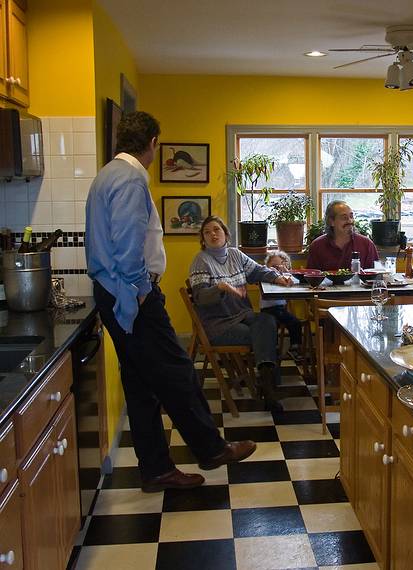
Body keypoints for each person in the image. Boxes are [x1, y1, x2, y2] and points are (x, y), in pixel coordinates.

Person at [85, 111, 255, 493]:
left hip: (111, 291)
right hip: (130, 292)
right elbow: (128, 245)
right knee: (178, 370)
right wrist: (141, 290)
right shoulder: (130, 178)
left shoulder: (106, 175)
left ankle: (156, 469)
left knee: (140, 383)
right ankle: (210, 449)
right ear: (152, 142)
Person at [189, 216, 293, 411]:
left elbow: (258, 271)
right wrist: (221, 287)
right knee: (262, 334)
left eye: (216, 230)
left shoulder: (235, 254)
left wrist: (278, 277)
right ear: (202, 239)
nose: (213, 234)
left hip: (242, 315)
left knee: (267, 320)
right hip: (218, 324)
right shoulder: (201, 261)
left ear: (226, 234)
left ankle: (266, 382)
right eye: (207, 232)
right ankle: (269, 387)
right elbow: (201, 297)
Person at [306, 200, 379, 270]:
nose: (350, 221)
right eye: (344, 218)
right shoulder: (317, 246)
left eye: (351, 216)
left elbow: (375, 276)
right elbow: (312, 277)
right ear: (331, 222)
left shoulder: (366, 244)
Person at [261, 250, 303, 360]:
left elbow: (293, 283)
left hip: (281, 309)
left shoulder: (285, 278)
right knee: (271, 326)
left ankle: (294, 347)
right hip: (267, 310)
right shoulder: (265, 275)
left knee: (295, 323)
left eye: (279, 266)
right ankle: (272, 351)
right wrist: (272, 271)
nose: (276, 269)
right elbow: (265, 274)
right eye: (273, 266)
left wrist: (285, 272)